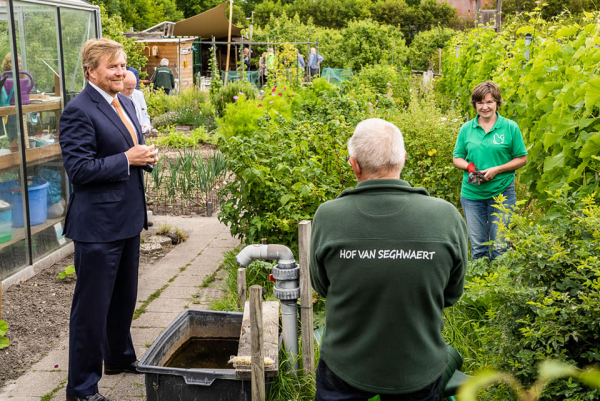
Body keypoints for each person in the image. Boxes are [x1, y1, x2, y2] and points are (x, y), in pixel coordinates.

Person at [310, 118, 468, 401]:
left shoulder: (328, 216)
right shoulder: (447, 217)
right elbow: (451, 294)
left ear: (354, 164)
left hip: (346, 364)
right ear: (403, 159)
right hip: (418, 366)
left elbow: (322, 286)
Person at [59, 37, 158, 401]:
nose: (121, 72)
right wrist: (128, 159)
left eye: (123, 65)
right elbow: (79, 170)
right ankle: (82, 389)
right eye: (113, 66)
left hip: (128, 218)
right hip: (98, 226)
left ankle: (118, 357)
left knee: (123, 299)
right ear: (91, 71)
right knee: (91, 309)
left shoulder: (126, 103)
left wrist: (144, 157)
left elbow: (127, 151)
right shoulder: (78, 111)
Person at [452, 81, 527, 261]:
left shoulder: (510, 127)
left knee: (500, 247)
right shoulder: (467, 129)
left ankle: (501, 286)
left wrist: (497, 169)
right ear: (475, 105)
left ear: (497, 103)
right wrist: (470, 167)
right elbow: (457, 157)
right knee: (478, 249)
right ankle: (481, 287)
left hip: (502, 193)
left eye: (489, 102)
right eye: (480, 103)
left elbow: (522, 158)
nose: (484, 107)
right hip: (472, 194)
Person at [121, 70, 151, 136]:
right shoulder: (115, 98)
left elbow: (145, 115)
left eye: (133, 88)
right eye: (128, 88)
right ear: (120, 85)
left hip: (139, 137)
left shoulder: (138, 95)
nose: (131, 91)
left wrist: (146, 126)